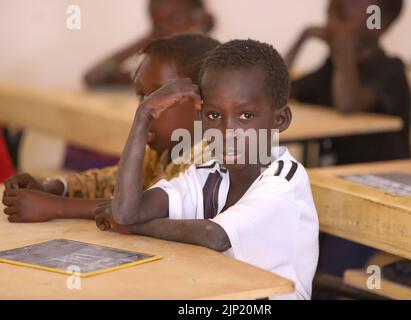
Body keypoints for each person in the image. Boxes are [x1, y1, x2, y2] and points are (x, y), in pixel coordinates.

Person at [96, 39, 320, 300]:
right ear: (201, 117)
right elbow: (127, 211)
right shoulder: (207, 173)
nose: (227, 133)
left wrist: (134, 228)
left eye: (245, 116)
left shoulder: (285, 182)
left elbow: (213, 235)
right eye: (214, 115)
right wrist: (143, 116)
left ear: (279, 120)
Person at [2, 34, 220, 223]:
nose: (144, 108)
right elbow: (112, 180)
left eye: (157, 97)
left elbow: (144, 211)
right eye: (141, 97)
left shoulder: (210, 162)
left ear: (199, 102)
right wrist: (54, 187)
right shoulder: (165, 153)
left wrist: (55, 206)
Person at [286, 0, 411, 164]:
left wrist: (345, 49)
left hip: (383, 173)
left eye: (344, 17)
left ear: (381, 23)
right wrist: (303, 38)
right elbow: (279, 92)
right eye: (331, 15)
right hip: (336, 173)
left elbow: (348, 104)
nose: (333, 25)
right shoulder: (330, 68)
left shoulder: (390, 71)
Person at [84, 0, 214, 88]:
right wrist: (148, 38)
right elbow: (93, 78)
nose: (169, 30)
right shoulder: (158, 70)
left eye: (176, 19)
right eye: (159, 26)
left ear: (201, 16)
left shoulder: (216, 64)